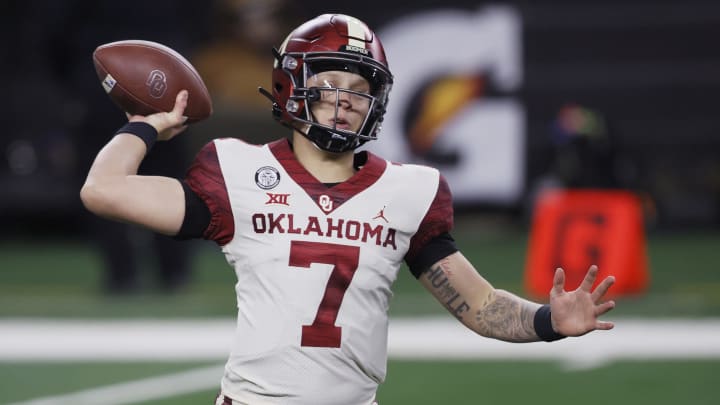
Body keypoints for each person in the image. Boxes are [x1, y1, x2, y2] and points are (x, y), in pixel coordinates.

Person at [80, 14, 616, 405]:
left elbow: (478, 305)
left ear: (377, 101)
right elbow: (104, 189)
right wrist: (148, 125)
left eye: (359, 90)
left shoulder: (409, 191)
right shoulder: (236, 174)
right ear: (294, 88)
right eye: (329, 84)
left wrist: (549, 321)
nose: (344, 100)